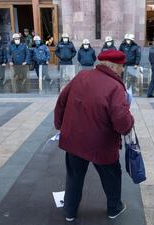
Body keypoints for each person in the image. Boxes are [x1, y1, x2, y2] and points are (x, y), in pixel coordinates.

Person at [54, 49, 134, 222]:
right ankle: (114, 208)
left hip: (74, 140)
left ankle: (69, 212)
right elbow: (121, 120)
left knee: (74, 177)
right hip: (101, 144)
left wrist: (60, 127)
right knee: (112, 177)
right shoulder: (115, 86)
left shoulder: (81, 76)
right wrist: (129, 124)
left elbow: (61, 101)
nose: (122, 70)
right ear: (114, 66)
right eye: (121, 67)